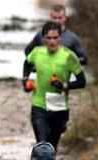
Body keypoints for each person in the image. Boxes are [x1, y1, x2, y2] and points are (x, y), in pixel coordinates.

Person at [23, 21, 86, 150]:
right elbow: (27, 63)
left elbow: (82, 82)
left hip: (59, 107)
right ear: (43, 38)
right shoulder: (37, 52)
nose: (52, 41)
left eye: (55, 38)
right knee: (42, 144)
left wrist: (63, 85)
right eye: (49, 38)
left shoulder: (69, 56)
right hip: (39, 104)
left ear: (60, 38)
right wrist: (25, 80)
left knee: (52, 147)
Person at [23, 4, 88, 73]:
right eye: (54, 18)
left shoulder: (72, 38)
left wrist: (69, 63)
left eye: (60, 18)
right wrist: (35, 64)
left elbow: (83, 59)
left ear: (65, 18)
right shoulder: (40, 35)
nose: (57, 21)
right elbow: (28, 50)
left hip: (64, 79)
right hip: (43, 77)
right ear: (50, 18)